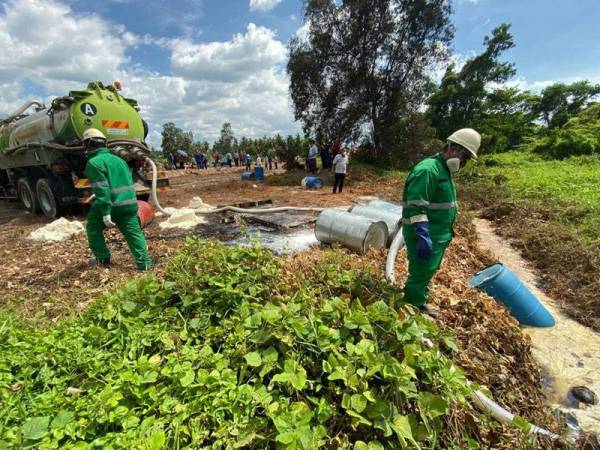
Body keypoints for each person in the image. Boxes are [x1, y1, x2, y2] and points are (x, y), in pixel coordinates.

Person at [401, 128, 480, 317]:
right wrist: (423, 235)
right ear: (454, 149)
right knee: (420, 274)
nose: (464, 163)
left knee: (427, 272)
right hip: (426, 235)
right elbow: (415, 207)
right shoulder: (428, 170)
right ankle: (411, 309)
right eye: (465, 157)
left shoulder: (443, 170)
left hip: (438, 235)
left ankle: (418, 302)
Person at [83, 128, 152, 271]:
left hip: (112, 206)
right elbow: (121, 182)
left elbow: (103, 190)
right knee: (133, 233)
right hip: (130, 204)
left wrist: (106, 212)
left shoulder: (94, 163)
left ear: (88, 145)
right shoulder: (119, 160)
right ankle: (144, 265)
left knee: (93, 228)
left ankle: (102, 259)